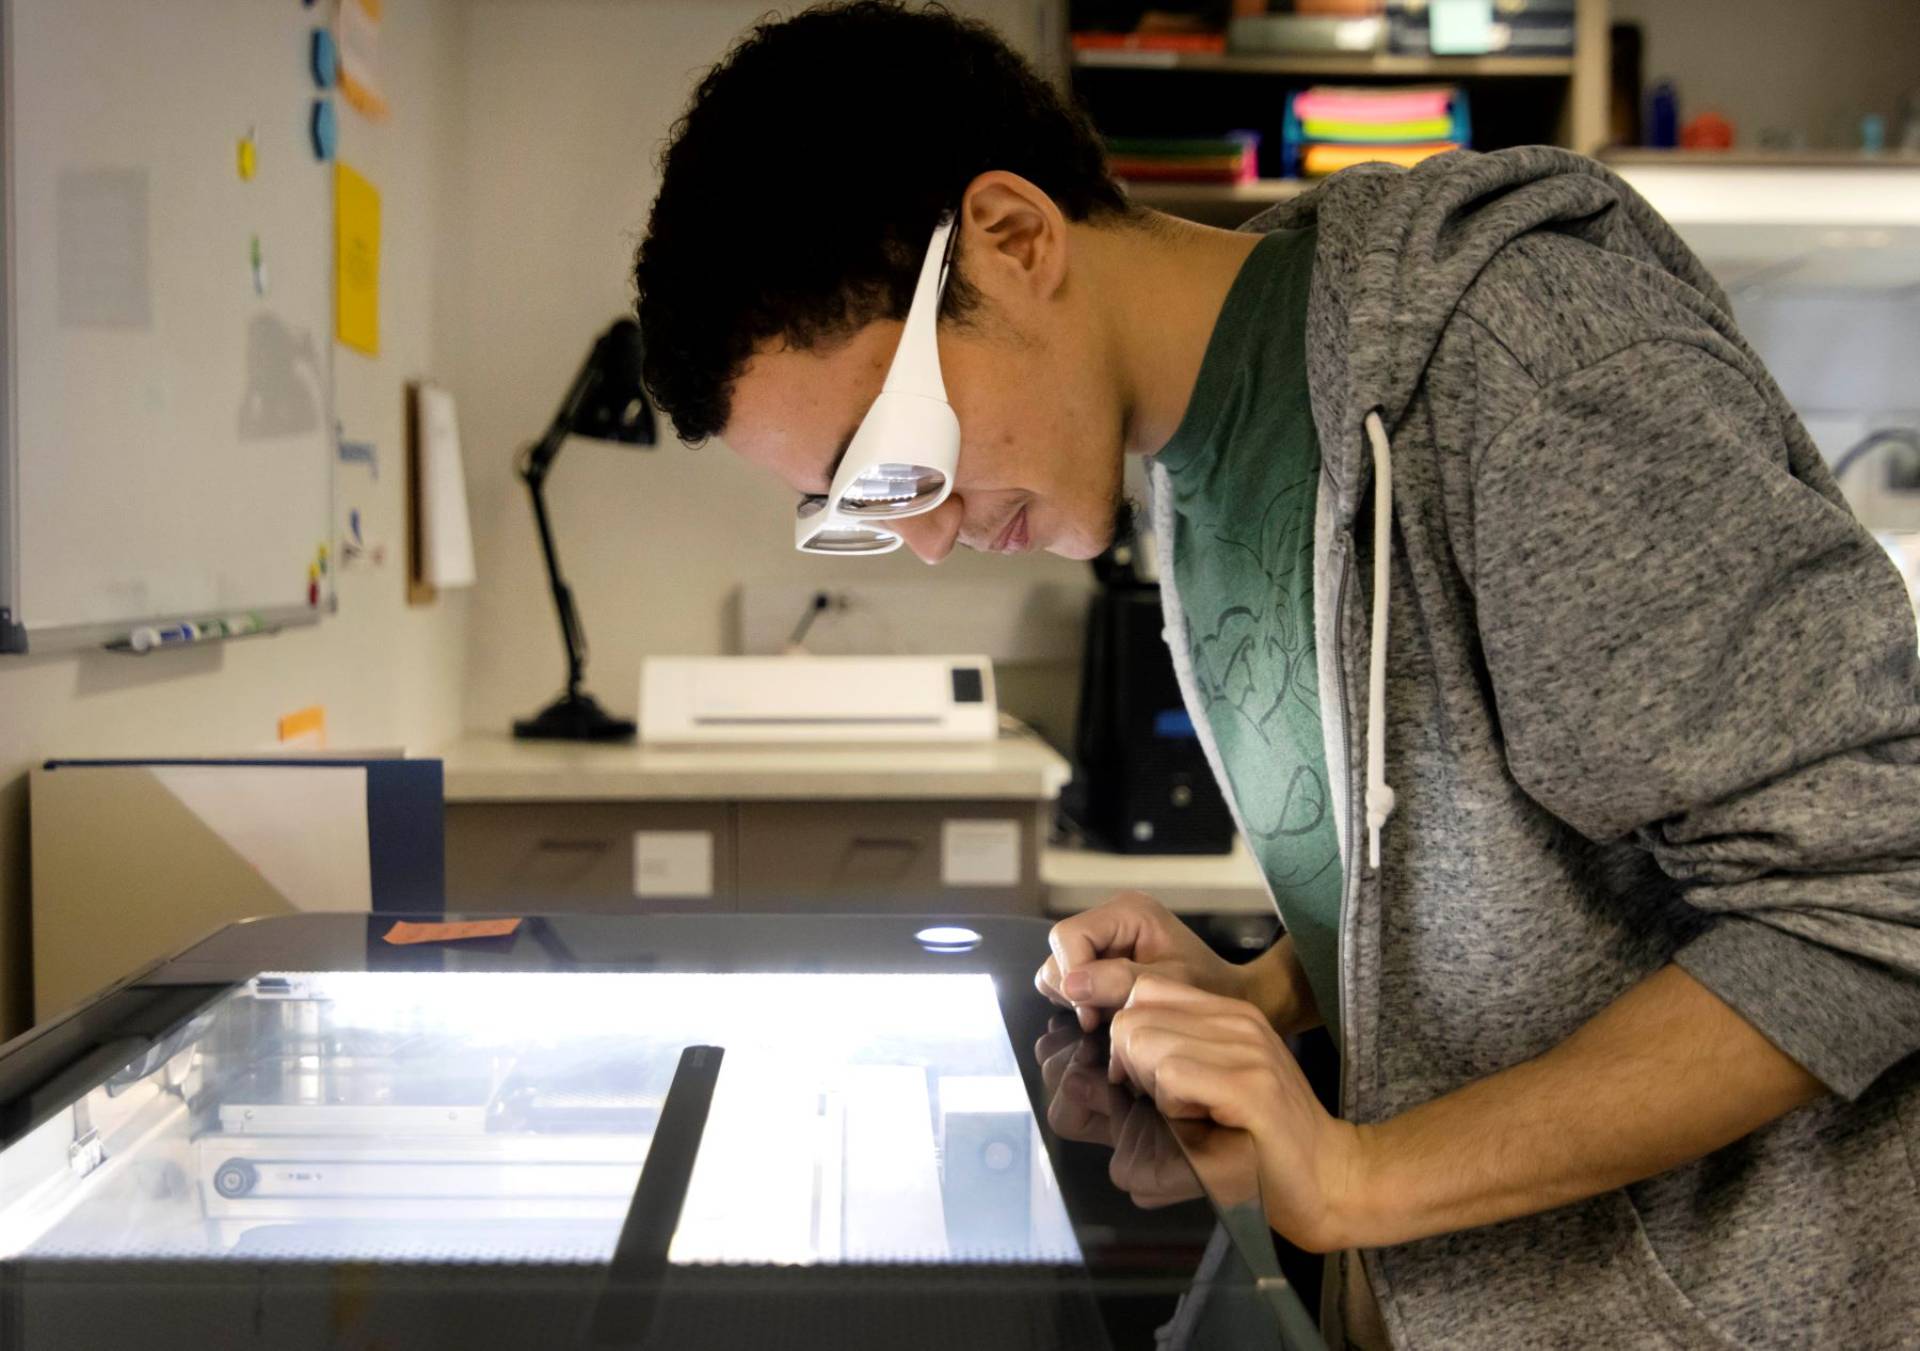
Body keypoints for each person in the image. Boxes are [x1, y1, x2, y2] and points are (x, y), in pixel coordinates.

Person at [632, 4, 1920, 1346]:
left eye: (894, 458)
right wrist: (1273, 988)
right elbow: (1534, 875)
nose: (927, 534)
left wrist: (1360, 1178)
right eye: (856, 509)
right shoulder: (1199, 465)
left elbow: (1869, 901)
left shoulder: (1529, 364)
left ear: (1015, 240)